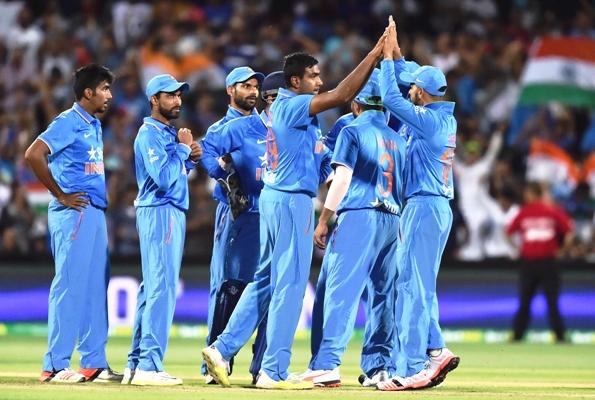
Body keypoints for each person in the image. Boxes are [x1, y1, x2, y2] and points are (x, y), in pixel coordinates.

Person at [202, 28, 389, 389]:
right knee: (289, 285)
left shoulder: (294, 112)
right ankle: (272, 370)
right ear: (294, 81)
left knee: (267, 280)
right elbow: (343, 94)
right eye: (314, 76)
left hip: (277, 198)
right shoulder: (292, 105)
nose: (320, 81)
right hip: (291, 201)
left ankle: (222, 349)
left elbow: (316, 158)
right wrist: (375, 55)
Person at [301, 70, 406, 388]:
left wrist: (324, 219)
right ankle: (379, 367)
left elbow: (342, 179)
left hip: (359, 215)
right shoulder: (398, 138)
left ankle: (327, 364)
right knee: (383, 296)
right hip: (392, 220)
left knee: (340, 292)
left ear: (357, 104)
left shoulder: (351, 129)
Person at [376, 17, 459, 391]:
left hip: (424, 207)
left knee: (412, 286)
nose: (408, 91)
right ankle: (435, 350)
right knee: (419, 284)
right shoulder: (439, 115)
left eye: (413, 88)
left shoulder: (426, 121)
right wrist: (395, 53)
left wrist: (383, 61)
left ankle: (411, 367)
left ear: (421, 94)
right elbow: (409, 80)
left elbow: (391, 97)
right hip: (433, 207)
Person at [25, 64, 122, 383]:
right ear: (88, 92)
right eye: (105, 89)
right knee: (69, 285)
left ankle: (93, 361)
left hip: (94, 211)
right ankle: (54, 364)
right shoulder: (68, 121)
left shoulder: (92, 123)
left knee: (96, 287)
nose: (110, 95)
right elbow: (34, 154)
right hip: (74, 211)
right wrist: (61, 195)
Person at [201, 71, 285, 385]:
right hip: (237, 215)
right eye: (245, 86)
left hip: (269, 213)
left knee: (264, 288)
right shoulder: (224, 129)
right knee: (227, 288)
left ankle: (260, 366)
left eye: (254, 87)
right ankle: (214, 363)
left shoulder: (270, 126)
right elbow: (211, 164)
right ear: (230, 90)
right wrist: (223, 169)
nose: (252, 91)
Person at [122, 74, 201, 386]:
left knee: (152, 288)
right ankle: (150, 366)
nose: (177, 101)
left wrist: (190, 159)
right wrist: (183, 150)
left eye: (179, 95)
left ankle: (135, 364)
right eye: (169, 95)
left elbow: (176, 173)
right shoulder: (150, 134)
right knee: (162, 288)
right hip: (161, 212)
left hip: (165, 212)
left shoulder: (166, 133)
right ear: (154, 100)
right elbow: (166, 179)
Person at [506, 181, 574, 342]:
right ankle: (559, 336)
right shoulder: (550, 211)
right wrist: (562, 250)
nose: (525, 196)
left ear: (531, 194)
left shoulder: (530, 212)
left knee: (528, 301)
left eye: (527, 193)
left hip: (538, 262)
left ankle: (518, 336)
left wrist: (516, 249)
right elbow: (570, 233)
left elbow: (508, 233)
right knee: (544, 301)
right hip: (543, 262)